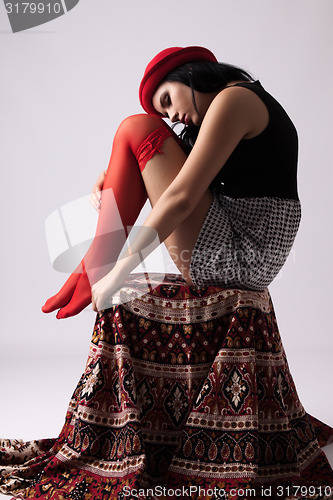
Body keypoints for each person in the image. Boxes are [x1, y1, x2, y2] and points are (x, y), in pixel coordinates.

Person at [42, 45, 301, 316]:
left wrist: (120, 273)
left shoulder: (235, 99)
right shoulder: (240, 99)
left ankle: (97, 263)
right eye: (166, 113)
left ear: (189, 72)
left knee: (137, 128)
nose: (173, 116)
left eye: (167, 100)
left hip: (241, 256)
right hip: (249, 250)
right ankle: (96, 262)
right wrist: (112, 174)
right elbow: (187, 168)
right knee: (137, 132)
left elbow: (182, 197)